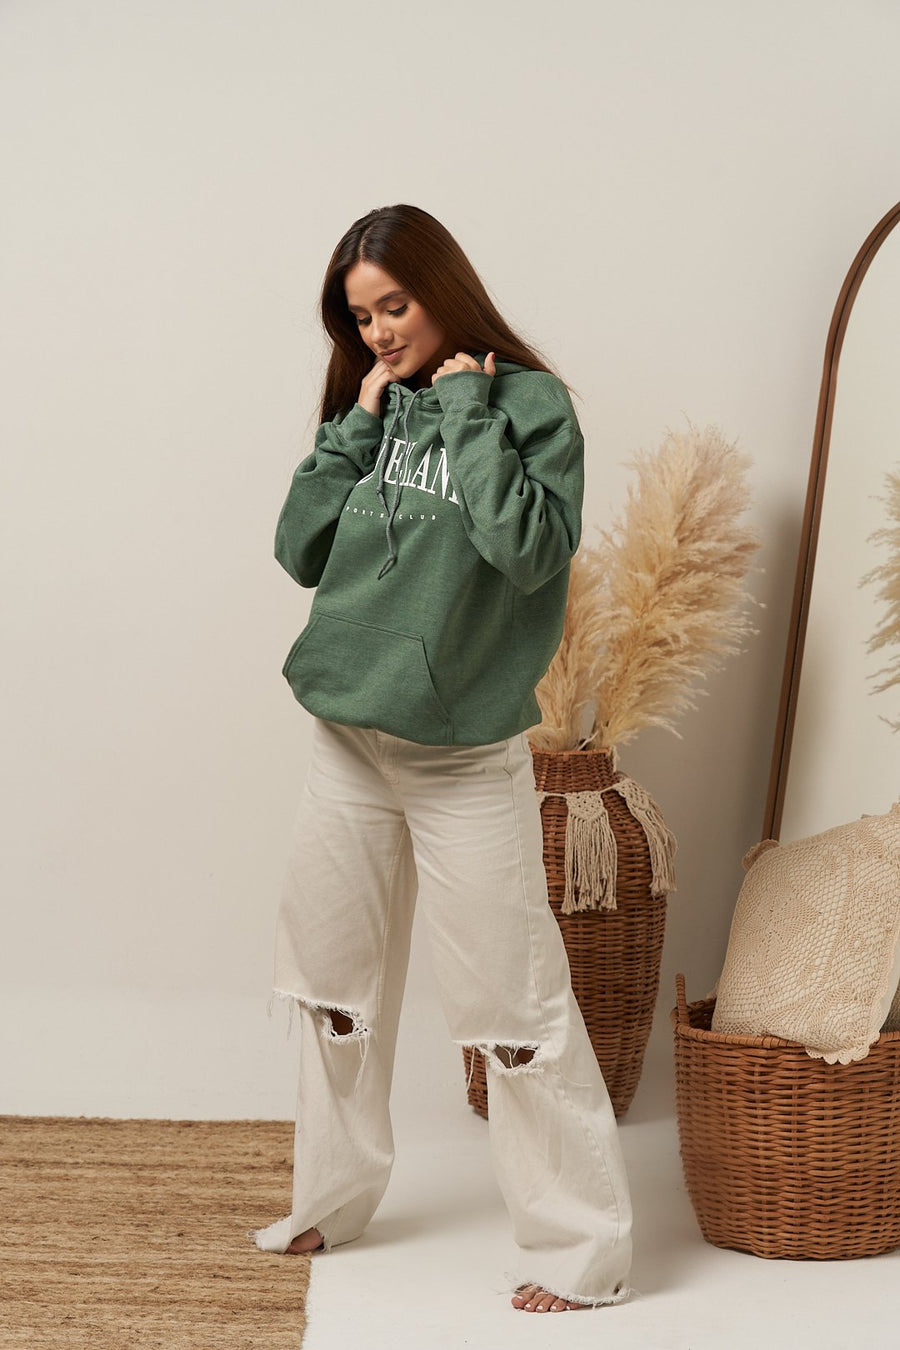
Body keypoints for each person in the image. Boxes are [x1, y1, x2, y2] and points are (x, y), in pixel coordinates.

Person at [252, 204, 633, 1313]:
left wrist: (467, 412)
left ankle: (582, 1250)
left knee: (515, 1007)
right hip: (347, 739)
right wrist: (351, 431)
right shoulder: (370, 403)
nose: (378, 331)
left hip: (461, 757)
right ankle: (332, 1198)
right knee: (330, 990)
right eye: (360, 316)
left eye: (396, 305)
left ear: (444, 289)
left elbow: (530, 553)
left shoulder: (532, 406)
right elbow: (298, 551)